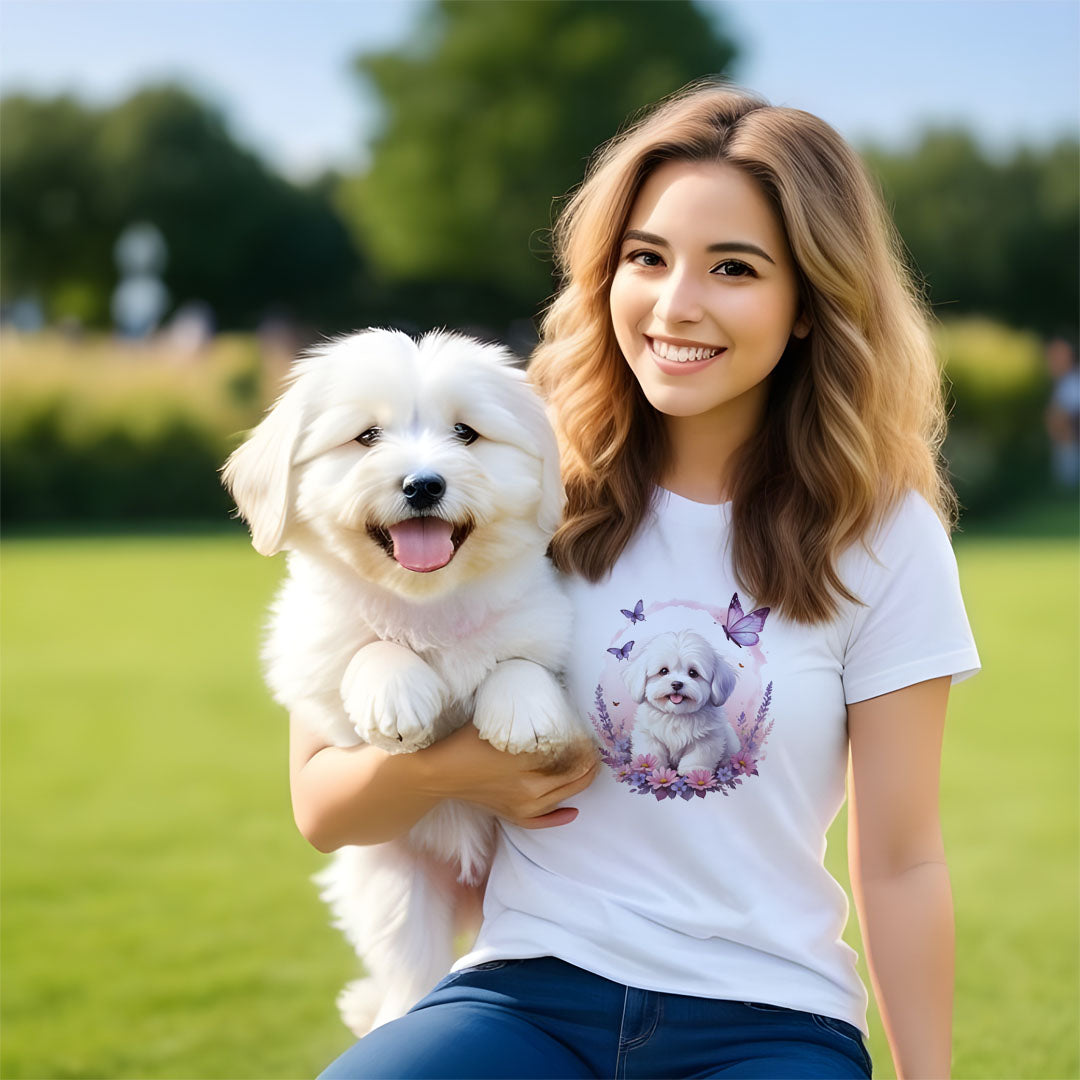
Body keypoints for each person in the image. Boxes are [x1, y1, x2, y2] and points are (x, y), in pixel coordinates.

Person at [301, 81, 981, 1079]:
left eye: (735, 268)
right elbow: (322, 804)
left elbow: (903, 858)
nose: (676, 305)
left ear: (808, 304)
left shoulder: (882, 535)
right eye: (646, 258)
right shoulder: (511, 482)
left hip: (772, 1019)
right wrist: (457, 774)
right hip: (527, 993)